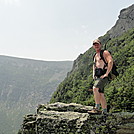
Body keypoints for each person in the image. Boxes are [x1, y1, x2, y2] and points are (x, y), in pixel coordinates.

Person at [89, 39, 113, 114]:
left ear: (100, 44)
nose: (96, 45)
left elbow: (110, 61)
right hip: (98, 76)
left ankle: (97, 108)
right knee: (100, 93)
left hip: (104, 75)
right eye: (94, 44)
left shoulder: (105, 52)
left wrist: (107, 73)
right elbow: (94, 65)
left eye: (97, 44)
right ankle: (104, 111)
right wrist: (94, 75)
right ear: (93, 46)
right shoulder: (95, 55)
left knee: (95, 88)